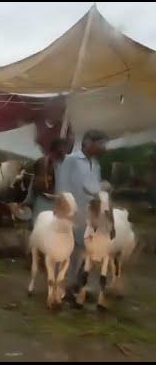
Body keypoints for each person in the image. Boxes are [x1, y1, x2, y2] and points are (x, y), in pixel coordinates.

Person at [55, 129, 108, 301]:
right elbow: (62, 188)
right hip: (72, 213)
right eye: (101, 144)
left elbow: (94, 189)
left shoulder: (96, 164)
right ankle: (60, 288)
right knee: (68, 251)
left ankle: (75, 286)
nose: (104, 148)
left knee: (85, 251)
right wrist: (65, 213)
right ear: (88, 142)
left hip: (89, 215)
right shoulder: (71, 161)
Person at [23, 138, 69, 224]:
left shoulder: (66, 164)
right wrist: (28, 201)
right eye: (61, 151)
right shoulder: (42, 163)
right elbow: (34, 183)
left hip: (59, 206)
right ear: (53, 151)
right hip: (43, 204)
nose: (63, 154)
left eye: (64, 151)